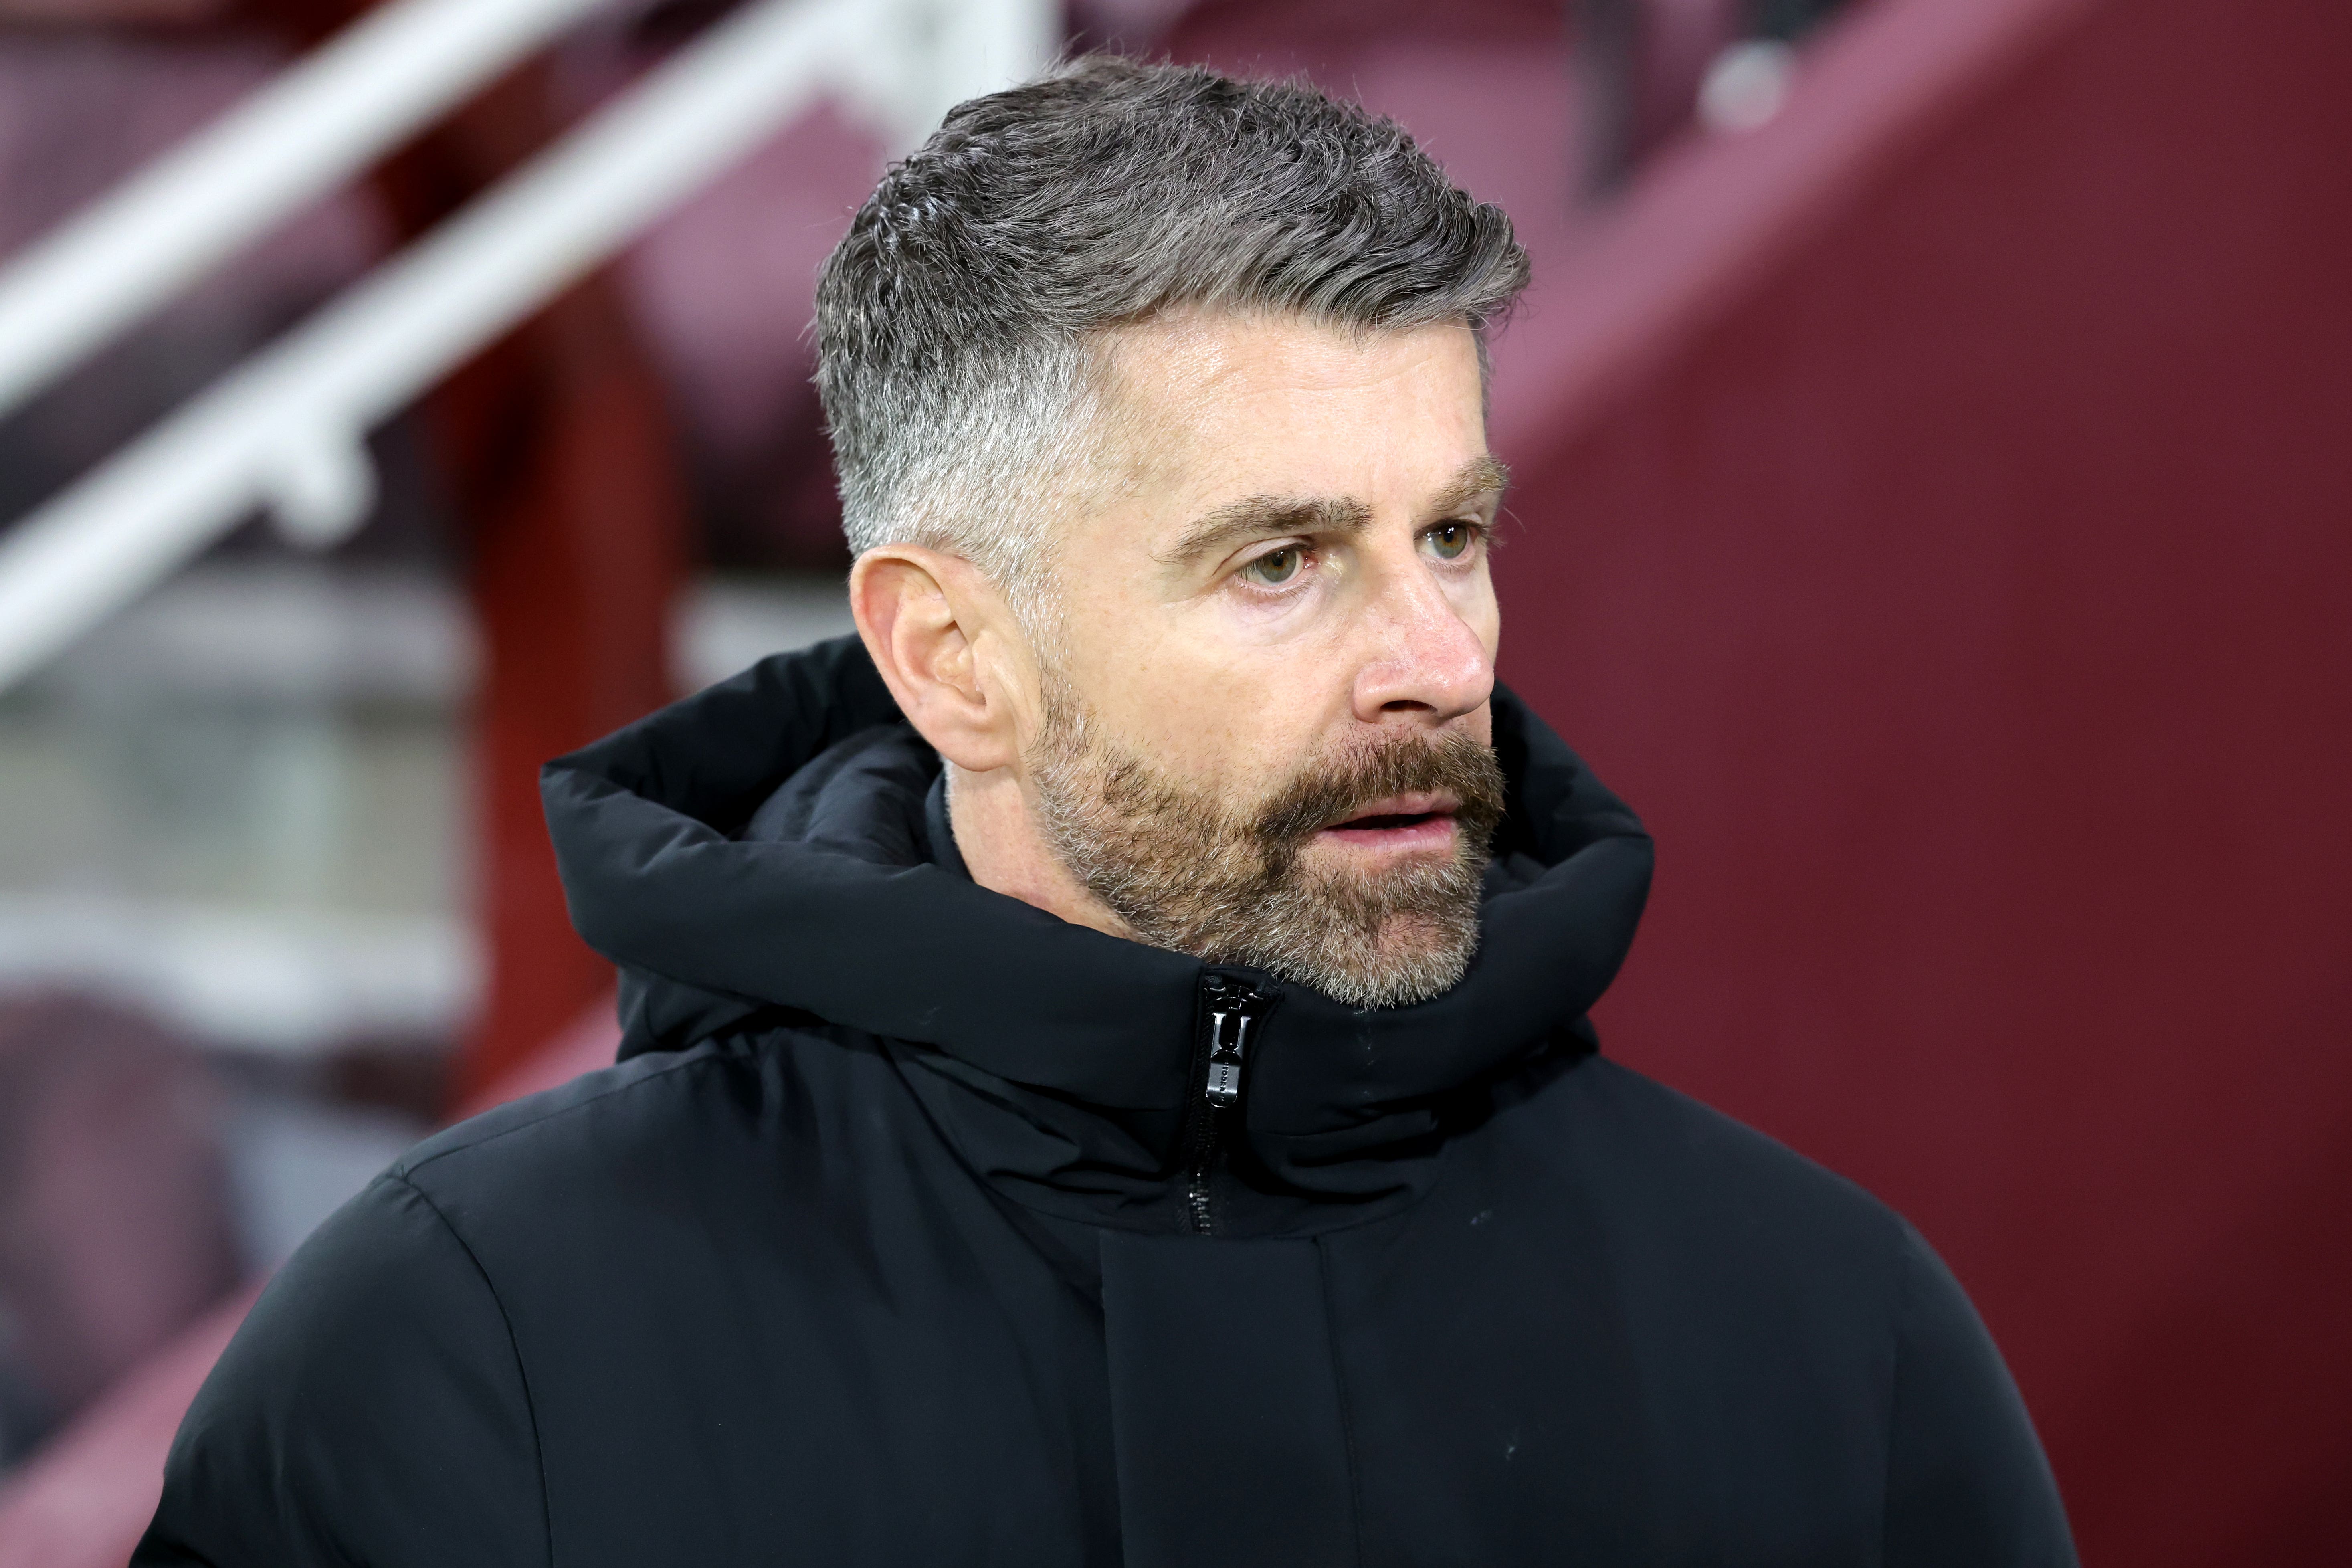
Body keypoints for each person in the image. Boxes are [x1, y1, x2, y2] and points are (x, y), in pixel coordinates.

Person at [135, 57, 2075, 1568]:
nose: (1437, 654)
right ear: (952, 655)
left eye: (1453, 534)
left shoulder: (1834, 1349)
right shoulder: (471, 1356)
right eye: (1281, 561)